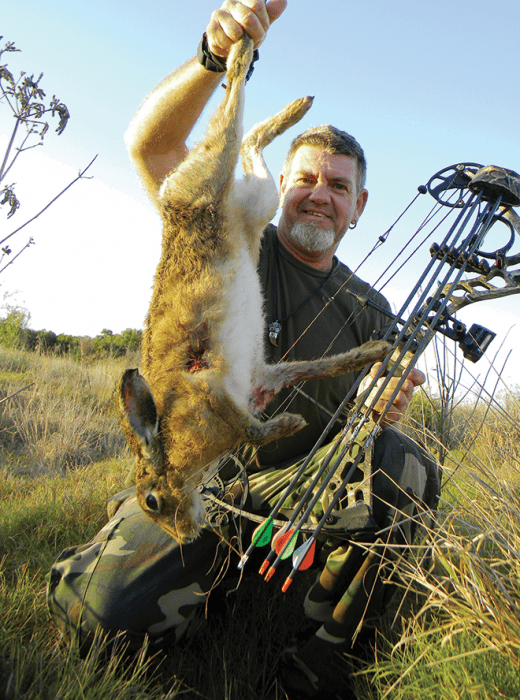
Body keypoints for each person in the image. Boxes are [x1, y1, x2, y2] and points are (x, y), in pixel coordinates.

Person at [47, 2, 440, 698]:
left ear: (361, 205)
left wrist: (381, 412)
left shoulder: (372, 310)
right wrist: (213, 57)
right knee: (101, 619)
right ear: (278, 187)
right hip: (203, 485)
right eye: (307, 180)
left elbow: (362, 424)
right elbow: (154, 151)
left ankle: (321, 662)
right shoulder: (234, 240)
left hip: (289, 492)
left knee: (404, 464)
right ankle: (149, 560)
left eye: (339, 186)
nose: (321, 196)